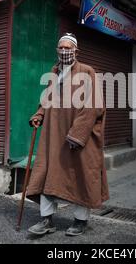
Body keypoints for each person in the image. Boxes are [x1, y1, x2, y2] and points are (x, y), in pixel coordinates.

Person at [27, 33, 109, 237]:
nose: (64, 51)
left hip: (79, 137)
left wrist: (77, 134)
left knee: (81, 176)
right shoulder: (54, 73)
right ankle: (46, 220)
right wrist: (39, 114)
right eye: (60, 48)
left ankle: (80, 221)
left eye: (68, 48)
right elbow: (46, 100)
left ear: (76, 51)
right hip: (54, 135)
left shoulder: (87, 71)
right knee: (46, 172)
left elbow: (94, 105)